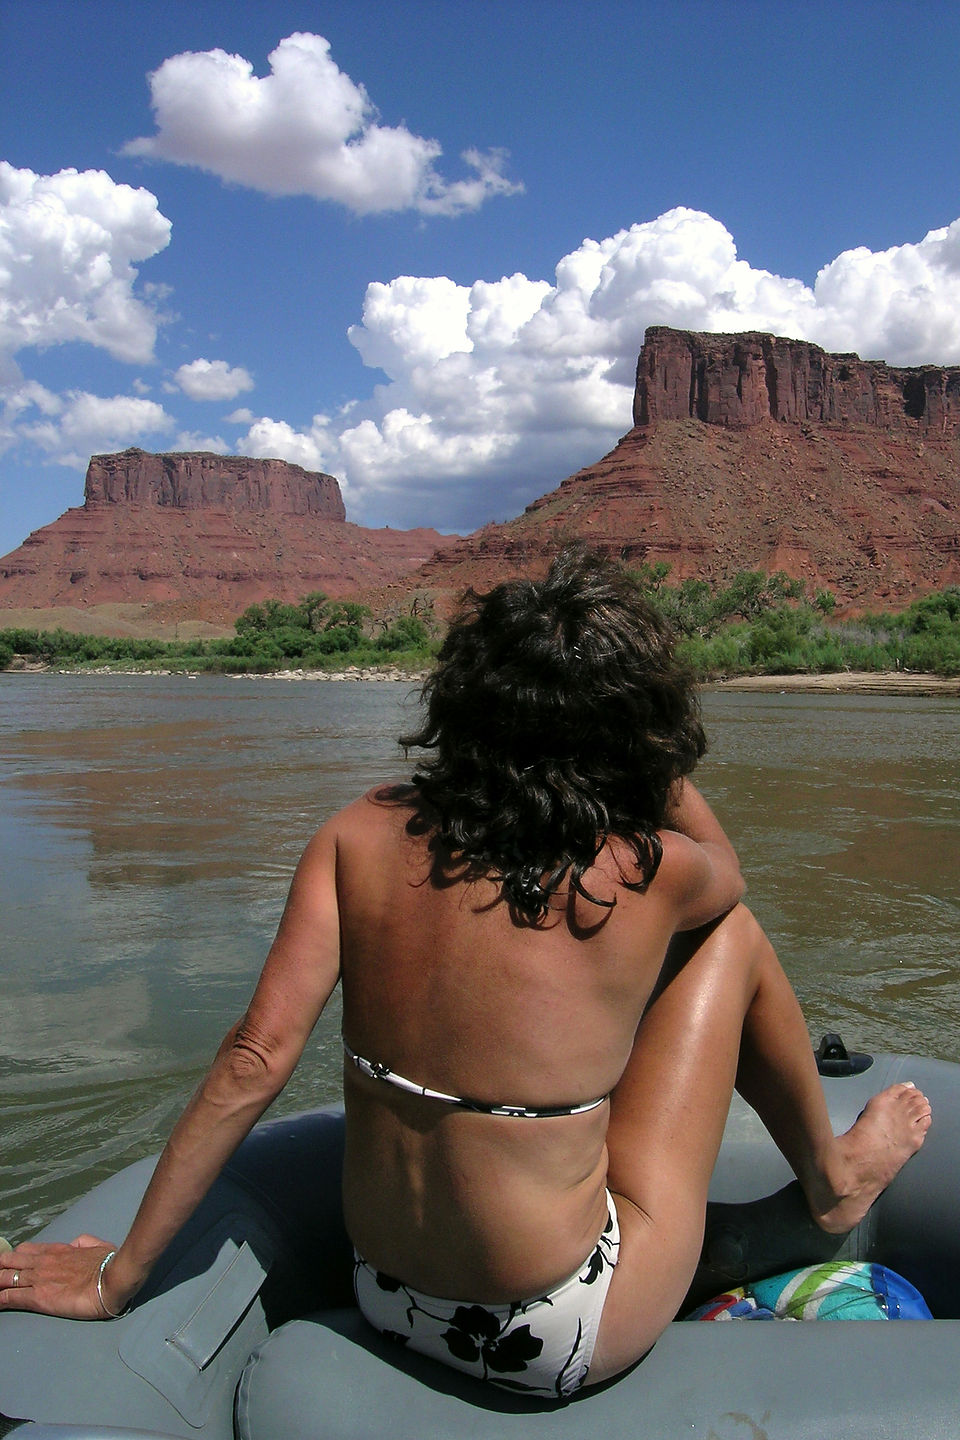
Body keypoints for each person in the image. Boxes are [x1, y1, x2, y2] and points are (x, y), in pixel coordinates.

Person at [0, 547, 931, 1398]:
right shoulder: (647, 870)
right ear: (636, 722)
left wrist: (122, 1274)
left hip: (384, 1292)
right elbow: (727, 876)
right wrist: (645, 762)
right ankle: (832, 1176)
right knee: (731, 935)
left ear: (463, 698)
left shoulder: (355, 831)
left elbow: (255, 1058)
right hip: (563, 1330)